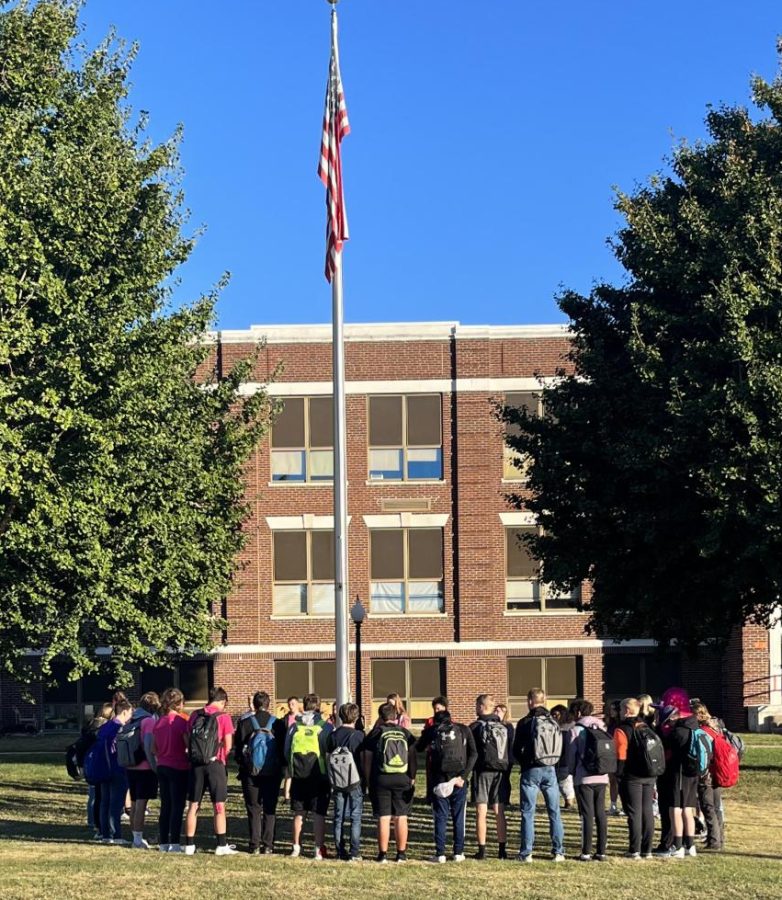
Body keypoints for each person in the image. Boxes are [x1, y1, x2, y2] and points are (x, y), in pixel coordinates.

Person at [417, 695, 477, 863]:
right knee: (459, 816)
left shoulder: (433, 730)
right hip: (459, 780)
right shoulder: (464, 729)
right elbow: (474, 753)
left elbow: (419, 747)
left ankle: (440, 853)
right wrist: (463, 776)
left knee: (440, 816)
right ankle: (458, 852)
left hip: (439, 779)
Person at [512, 687, 565, 863]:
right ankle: (558, 851)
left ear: (529, 701)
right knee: (554, 811)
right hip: (550, 768)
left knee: (528, 812)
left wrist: (524, 761)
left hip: (531, 769)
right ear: (545, 700)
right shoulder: (553, 721)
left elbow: (515, 749)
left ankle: (526, 852)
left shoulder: (525, 722)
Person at [184, 686, 237, 856]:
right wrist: (221, 755)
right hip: (215, 764)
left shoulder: (195, 715)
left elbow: (187, 737)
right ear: (222, 701)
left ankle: (189, 845)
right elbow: (228, 744)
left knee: (193, 805)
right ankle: (221, 845)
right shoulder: (224, 717)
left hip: (196, 764)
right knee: (219, 805)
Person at [363, 701, 417, 863]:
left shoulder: (375, 733)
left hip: (381, 778)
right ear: (395, 716)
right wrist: (412, 777)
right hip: (402, 777)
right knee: (401, 816)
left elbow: (367, 758)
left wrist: (368, 779)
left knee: (384, 816)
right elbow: (412, 757)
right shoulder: (405, 733)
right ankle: (401, 853)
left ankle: (383, 854)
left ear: (381, 716)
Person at [234, 691, 287, 855]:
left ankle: (254, 844)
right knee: (270, 809)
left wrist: (243, 765)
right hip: (273, 772)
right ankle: (268, 845)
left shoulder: (245, 723)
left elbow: (237, 751)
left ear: (254, 705)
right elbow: (283, 750)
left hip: (251, 773)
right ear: (268, 704)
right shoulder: (278, 724)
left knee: (253, 808)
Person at [284, 692, 333, 860]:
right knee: (318, 814)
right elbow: (330, 749)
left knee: (299, 813)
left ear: (303, 707)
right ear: (318, 707)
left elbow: (286, 750)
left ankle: (296, 847)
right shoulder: (325, 726)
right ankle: (318, 849)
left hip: (298, 774)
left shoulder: (294, 726)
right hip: (319, 774)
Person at [469, 693, 513, 860]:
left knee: (481, 811)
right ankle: (502, 850)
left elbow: (471, 752)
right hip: (501, 772)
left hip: (482, 771)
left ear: (481, 706)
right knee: (498, 811)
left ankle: (482, 850)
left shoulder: (475, 727)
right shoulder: (505, 727)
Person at [658, 687, 700, 859]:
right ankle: (690, 845)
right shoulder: (694, 726)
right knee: (689, 809)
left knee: (675, 809)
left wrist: (663, 728)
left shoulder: (678, 731)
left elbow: (667, 750)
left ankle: (677, 845)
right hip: (692, 773)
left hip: (678, 773)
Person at [566, 699, 609, 861]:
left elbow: (571, 755)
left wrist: (571, 772)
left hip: (584, 777)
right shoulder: (602, 726)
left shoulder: (576, 730)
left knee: (586, 814)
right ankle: (601, 850)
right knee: (600, 813)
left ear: (577, 713)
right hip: (602, 775)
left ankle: (586, 851)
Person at [614, 697, 656, 859]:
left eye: (620, 709)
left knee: (633, 812)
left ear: (626, 710)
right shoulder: (646, 726)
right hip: (648, 773)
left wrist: (618, 773)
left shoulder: (622, 729)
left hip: (631, 775)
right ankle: (647, 849)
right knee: (647, 811)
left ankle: (634, 849)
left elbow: (620, 753)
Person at [151, 687, 190, 853]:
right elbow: (188, 745)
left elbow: (154, 748)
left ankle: (163, 843)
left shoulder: (159, 722)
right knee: (177, 805)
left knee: (165, 805)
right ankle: (175, 842)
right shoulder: (181, 723)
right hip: (178, 766)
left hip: (162, 765)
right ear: (178, 704)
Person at [326, 702, 366, 861]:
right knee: (355, 816)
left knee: (338, 816)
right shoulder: (359, 736)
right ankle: (354, 851)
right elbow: (364, 760)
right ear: (356, 717)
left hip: (337, 780)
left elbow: (328, 757)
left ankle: (340, 850)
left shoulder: (333, 736)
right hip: (355, 780)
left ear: (340, 717)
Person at [124, 691, 160, 849]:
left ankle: (134, 835)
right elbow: (148, 746)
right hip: (144, 767)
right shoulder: (148, 721)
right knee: (141, 804)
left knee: (133, 802)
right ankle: (138, 839)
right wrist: (154, 767)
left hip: (130, 765)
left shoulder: (131, 719)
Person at [98, 699, 133, 844]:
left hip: (103, 768)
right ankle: (116, 835)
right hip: (117, 768)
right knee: (116, 804)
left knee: (104, 802)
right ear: (124, 712)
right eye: (130, 713)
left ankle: (105, 834)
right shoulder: (120, 728)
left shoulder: (105, 726)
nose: (130, 717)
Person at [691, 701, 723, 851]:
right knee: (716, 807)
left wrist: (701, 773)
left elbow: (703, 754)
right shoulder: (716, 728)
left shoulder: (702, 731)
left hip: (707, 774)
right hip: (718, 771)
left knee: (708, 807)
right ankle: (719, 838)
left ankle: (714, 841)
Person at [81, 702, 112, 839]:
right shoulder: (104, 726)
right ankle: (99, 825)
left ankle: (92, 821)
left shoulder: (90, 725)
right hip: (99, 764)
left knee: (93, 795)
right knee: (100, 797)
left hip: (89, 763)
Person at [551, 704, 576, 810]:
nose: (555, 717)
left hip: (566, 757)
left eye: (557, 714)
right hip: (553, 757)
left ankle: (569, 801)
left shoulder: (571, 726)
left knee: (566, 781)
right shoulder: (551, 726)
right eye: (553, 715)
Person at [606, 700, 624, 816]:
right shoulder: (610, 724)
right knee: (612, 780)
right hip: (611, 754)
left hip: (621, 755)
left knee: (621, 782)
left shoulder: (622, 724)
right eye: (610, 709)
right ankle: (613, 804)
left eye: (614, 709)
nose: (611, 711)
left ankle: (624, 804)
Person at [282, 696, 301, 801]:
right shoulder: (286, 718)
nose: (291, 706)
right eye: (289, 704)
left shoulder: (303, 718)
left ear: (298, 704)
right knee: (288, 773)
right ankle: (286, 795)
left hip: (299, 747)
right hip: (289, 748)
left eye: (293, 704)